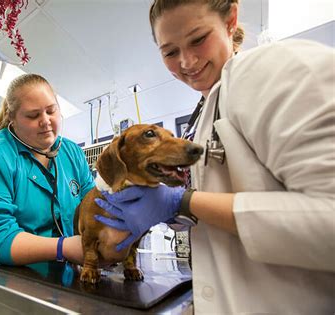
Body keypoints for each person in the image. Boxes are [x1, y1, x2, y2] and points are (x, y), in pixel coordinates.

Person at [95, 0, 335, 313]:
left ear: (230, 20)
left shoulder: (277, 69)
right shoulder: (207, 108)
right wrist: (175, 215)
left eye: (198, 39)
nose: (187, 61)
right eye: (170, 52)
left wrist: (182, 202)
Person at [0, 73, 94, 266]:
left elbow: (92, 205)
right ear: (12, 117)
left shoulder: (72, 152)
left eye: (51, 111)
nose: (45, 121)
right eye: (33, 115)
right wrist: (63, 248)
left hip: (56, 273)